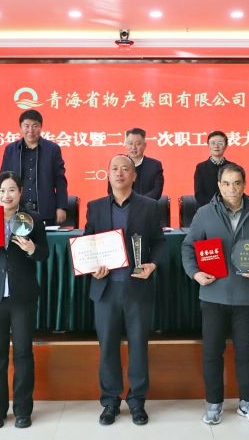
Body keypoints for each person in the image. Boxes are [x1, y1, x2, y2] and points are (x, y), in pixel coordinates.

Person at [182, 163, 249, 425]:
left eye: (237, 183)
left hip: (247, 295)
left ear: (244, 185)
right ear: (219, 185)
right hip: (213, 294)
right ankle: (214, 403)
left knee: (246, 352)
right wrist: (195, 273)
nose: (232, 189)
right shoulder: (204, 213)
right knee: (212, 353)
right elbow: (188, 247)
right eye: (226, 183)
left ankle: (247, 403)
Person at [85, 154, 165, 426]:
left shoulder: (149, 206)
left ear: (134, 175)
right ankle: (110, 401)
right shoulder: (95, 207)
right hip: (105, 290)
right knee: (107, 346)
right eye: (114, 169)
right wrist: (92, 266)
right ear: (107, 175)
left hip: (137, 287)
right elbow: (87, 243)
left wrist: (153, 264)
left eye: (125, 169)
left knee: (138, 347)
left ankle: (137, 401)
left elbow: (159, 242)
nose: (119, 173)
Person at [0, 171, 49, 429]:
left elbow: (44, 254)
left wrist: (32, 249)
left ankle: (23, 410)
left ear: (20, 192)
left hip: (22, 295)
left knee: (24, 353)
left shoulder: (33, 219)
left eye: (12, 190)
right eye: (2, 190)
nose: (7, 195)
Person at [0, 109, 68, 225]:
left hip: (45, 210)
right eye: (26, 126)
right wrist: (2, 205)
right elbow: (3, 180)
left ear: (41, 127)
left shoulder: (52, 149)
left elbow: (60, 180)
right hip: (17, 210)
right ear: (20, 128)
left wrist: (61, 207)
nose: (30, 130)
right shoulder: (10, 150)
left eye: (35, 126)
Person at [193, 130, 234, 207]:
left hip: (229, 208)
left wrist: (226, 206)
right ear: (208, 145)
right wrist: (212, 208)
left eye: (220, 143)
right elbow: (199, 194)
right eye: (213, 143)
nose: (216, 146)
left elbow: (236, 191)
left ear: (226, 145)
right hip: (207, 209)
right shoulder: (201, 167)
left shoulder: (233, 167)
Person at [125, 128, 164, 200]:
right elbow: (112, 191)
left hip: (148, 205)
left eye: (138, 144)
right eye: (130, 143)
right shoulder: (118, 165)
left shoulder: (155, 166)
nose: (133, 147)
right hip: (123, 206)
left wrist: (140, 203)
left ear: (144, 145)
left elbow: (156, 192)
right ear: (125, 145)